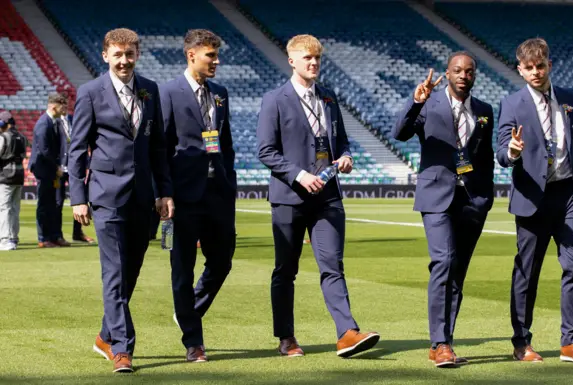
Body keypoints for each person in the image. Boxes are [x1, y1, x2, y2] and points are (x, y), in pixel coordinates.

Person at [257, 34, 379, 358]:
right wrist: (299, 174)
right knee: (286, 270)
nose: (313, 63)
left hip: (327, 197)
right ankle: (286, 337)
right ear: (291, 60)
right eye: (307, 58)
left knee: (332, 265)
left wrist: (347, 157)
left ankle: (347, 333)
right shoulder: (275, 99)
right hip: (289, 197)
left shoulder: (328, 97)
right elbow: (265, 151)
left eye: (317, 59)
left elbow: (341, 141)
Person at [67, 28, 174, 373]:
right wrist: (78, 198)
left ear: (136, 54)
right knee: (113, 272)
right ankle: (122, 348)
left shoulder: (150, 90)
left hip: (144, 197)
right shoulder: (89, 93)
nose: (124, 61)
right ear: (105, 56)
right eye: (118, 55)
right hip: (105, 195)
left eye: (129, 55)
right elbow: (77, 150)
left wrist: (164, 191)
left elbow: (158, 146)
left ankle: (103, 334)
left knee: (130, 273)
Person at [496, 38, 573, 364]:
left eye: (541, 66)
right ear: (520, 70)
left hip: (568, 194)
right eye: (529, 67)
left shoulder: (569, 99)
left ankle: (571, 342)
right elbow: (501, 152)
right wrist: (512, 152)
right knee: (528, 272)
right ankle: (521, 343)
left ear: (549, 65)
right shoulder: (511, 104)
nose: (536, 72)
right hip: (532, 198)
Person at [393, 52, 495, 367]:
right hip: (436, 196)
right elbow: (400, 133)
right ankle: (439, 343)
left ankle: (445, 342)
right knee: (444, 261)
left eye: (469, 71)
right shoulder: (430, 104)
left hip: (473, 201)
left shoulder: (484, 110)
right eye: (457, 70)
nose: (463, 75)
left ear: (474, 75)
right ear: (447, 74)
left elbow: (487, 157)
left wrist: (486, 198)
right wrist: (416, 101)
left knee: (457, 272)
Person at [160, 29, 236, 362]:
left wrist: (230, 185)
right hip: (181, 198)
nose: (216, 62)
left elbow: (227, 144)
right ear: (192, 55)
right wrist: (164, 193)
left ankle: (189, 310)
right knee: (181, 268)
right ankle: (194, 341)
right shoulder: (167, 93)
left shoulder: (220, 93)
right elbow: (159, 149)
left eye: (217, 56)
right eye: (211, 56)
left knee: (222, 260)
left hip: (217, 194)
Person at [29, 93, 70, 248]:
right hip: (43, 169)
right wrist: (57, 167)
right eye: (62, 106)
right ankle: (43, 238)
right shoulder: (43, 124)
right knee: (44, 204)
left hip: (51, 169)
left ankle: (54, 236)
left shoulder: (55, 122)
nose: (65, 109)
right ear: (54, 106)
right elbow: (44, 150)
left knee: (54, 204)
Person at [57, 107, 94, 243]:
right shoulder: (54, 122)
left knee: (80, 199)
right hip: (60, 167)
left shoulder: (72, 120)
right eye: (62, 105)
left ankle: (77, 233)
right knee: (58, 202)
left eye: (65, 104)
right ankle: (57, 235)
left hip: (76, 166)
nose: (64, 108)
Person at [0, 111, 27, 251]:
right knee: (15, 208)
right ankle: (13, 238)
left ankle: (4, 240)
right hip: (19, 175)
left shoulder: (3, 137)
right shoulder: (22, 137)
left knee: (4, 208)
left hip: (5, 176)